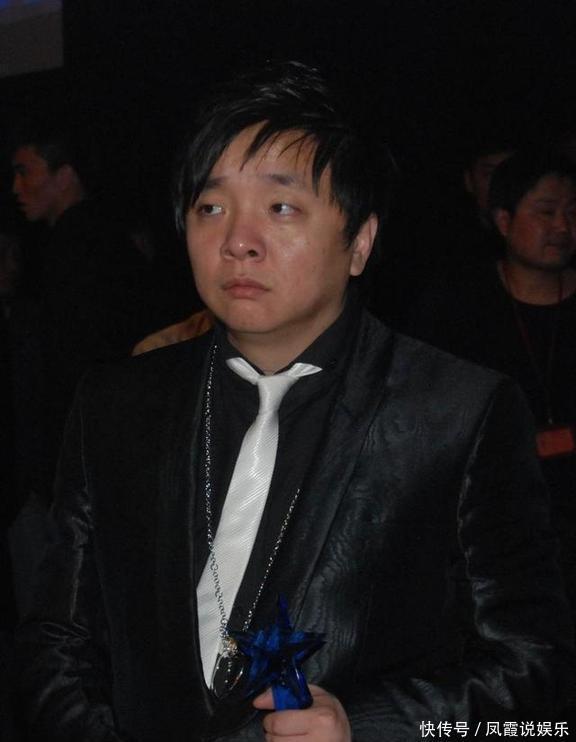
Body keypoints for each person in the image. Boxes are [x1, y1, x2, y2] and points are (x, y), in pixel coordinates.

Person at [16, 63, 573, 742]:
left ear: (360, 240)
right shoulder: (117, 403)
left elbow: (534, 670)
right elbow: (57, 638)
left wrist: (365, 726)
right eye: (211, 207)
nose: (237, 241)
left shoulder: (457, 414)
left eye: (280, 208)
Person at [404, 150, 576, 636]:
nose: (562, 226)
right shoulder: (455, 306)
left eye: (572, 211)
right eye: (546, 211)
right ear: (504, 220)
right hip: (492, 527)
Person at [8, 127, 151, 617]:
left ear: (64, 175)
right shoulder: (90, 240)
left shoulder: (80, 246)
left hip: (85, 456)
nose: (16, 187)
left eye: (25, 172)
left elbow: (81, 361)